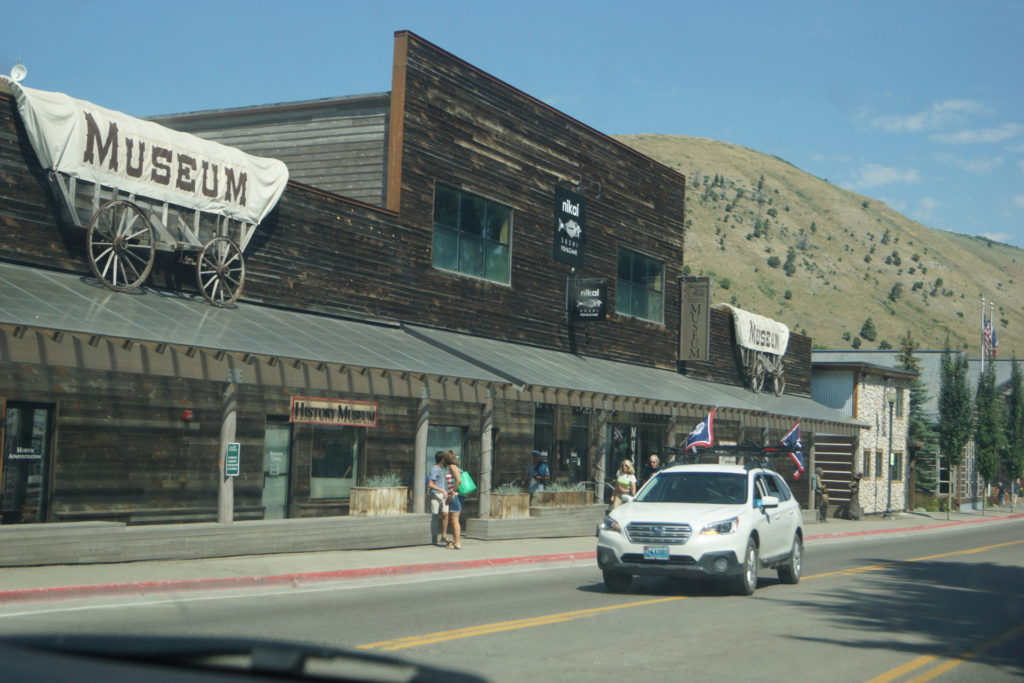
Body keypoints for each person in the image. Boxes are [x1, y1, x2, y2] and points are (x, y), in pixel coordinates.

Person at [427, 451, 449, 546]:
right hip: (436, 494)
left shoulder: (441, 468)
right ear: (442, 459)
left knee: (445, 514)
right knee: (435, 516)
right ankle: (434, 537)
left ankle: (444, 536)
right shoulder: (435, 469)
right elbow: (430, 484)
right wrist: (441, 490)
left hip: (443, 494)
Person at [442, 450, 463, 549]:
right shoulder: (456, 467)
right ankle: (455, 541)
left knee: (454, 520)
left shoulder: (452, 467)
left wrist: (452, 492)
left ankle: (458, 543)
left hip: (455, 496)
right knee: (452, 519)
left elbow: (458, 480)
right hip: (455, 496)